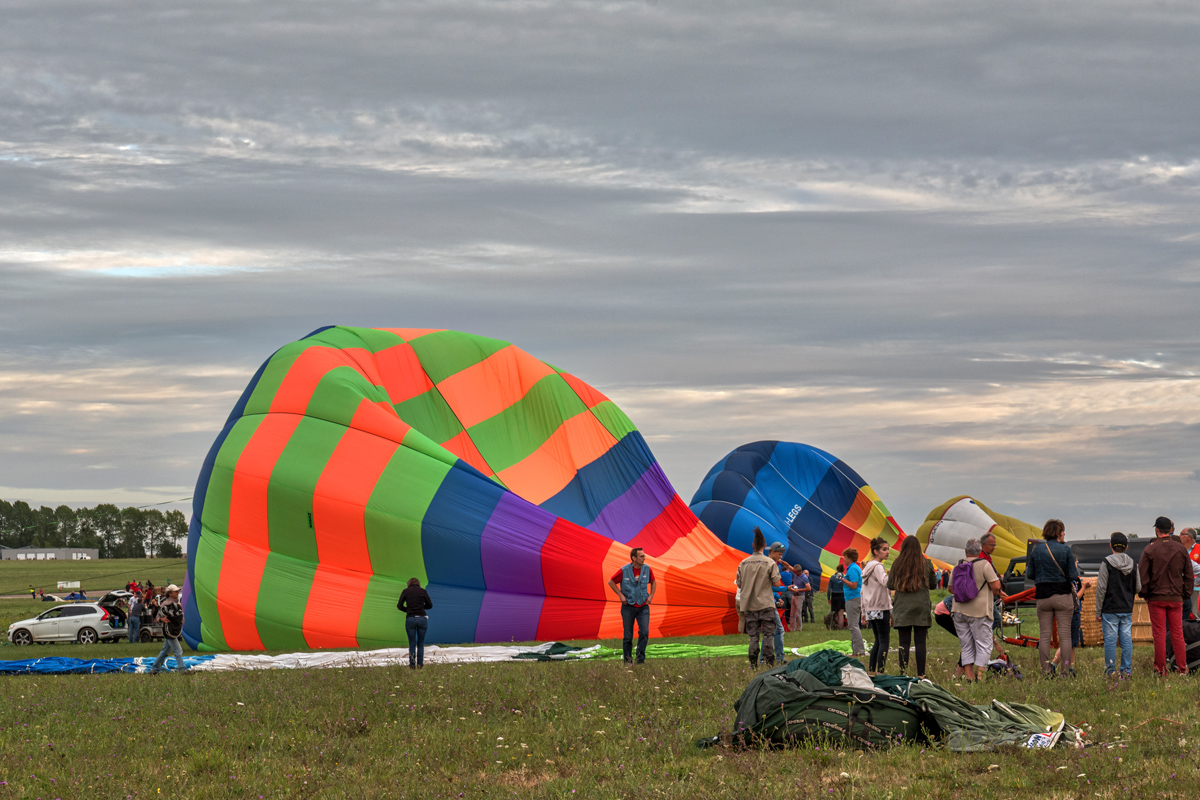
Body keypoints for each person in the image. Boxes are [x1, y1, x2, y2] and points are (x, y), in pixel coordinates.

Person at [1138, 516, 1190, 675]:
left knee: (1159, 634)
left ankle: (1160, 669)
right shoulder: (1180, 548)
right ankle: (1182, 668)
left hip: (1156, 598)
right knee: (1177, 633)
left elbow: (1142, 575)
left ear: (1157, 530)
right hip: (1175, 597)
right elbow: (1188, 574)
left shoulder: (1150, 549)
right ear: (1171, 530)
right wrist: (1185, 594)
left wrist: (1145, 594)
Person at [1027, 518, 1078, 677]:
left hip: (1043, 597)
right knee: (1065, 636)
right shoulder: (1066, 550)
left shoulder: (1037, 550)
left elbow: (1030, 574)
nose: (1064, 534)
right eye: (1063, 531)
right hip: (1063, 596)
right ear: (1058, 533)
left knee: (1044, 636)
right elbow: (1072, 575)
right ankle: (1065, 671)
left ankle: (1046, 672)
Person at [951, 539, 1002, 681]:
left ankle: (969, 676)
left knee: (966, 645)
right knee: (984, 645)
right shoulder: (984, 565)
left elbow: (950, 588)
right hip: (979, 611)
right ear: (979, 551)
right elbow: (996, 586)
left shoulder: (958, 564)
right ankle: (981, 676)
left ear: (965, 551)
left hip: (959, 610)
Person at [889, 536, 936, 677]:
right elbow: (933, 585)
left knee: (904, 642)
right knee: (920, 642)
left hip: (903, 606)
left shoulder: (897, 564)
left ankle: (902, 673)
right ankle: (921, 674)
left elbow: (890, 584)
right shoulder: (926, 564)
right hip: (921, 606)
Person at [736, 527, 782, 667]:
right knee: (768, 635)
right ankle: (769, 664)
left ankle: (753, 664)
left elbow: (739, 584)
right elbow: (776, 583)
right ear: (764, 546)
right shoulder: (770, 563)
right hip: (766, 604)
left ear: (753, 546)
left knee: (753, 636)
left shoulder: (743, 563)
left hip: (750, 605)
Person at [1095, 531, 1140, 677]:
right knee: (1126, 639)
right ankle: (1127, 671)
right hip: (1127, 607)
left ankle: (1110, 671)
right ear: (1126, 547)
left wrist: (1098, 610)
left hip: (1110, 608)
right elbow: (1138, 587)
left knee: (1110, 640)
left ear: (1111, 546)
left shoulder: (1106, 563)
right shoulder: (1133, 563)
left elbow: (1101, 588)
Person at [608, 547, 656, 665]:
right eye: (641, 556)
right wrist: (620, 595)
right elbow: (611, 581)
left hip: (643, 606)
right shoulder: (624, 570)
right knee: (628, 636)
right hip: (628, 606)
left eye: (644, 556)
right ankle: (628, 661)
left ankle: (640, 660)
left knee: (644, 632)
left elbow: (654, 581)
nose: (644, 558)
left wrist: (651, 596)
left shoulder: (647, 569)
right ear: (634, 558)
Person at [861, 537, 893, 673]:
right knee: (884, 641)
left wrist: (863, 611)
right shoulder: (878, 567)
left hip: (870, 608)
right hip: (880, 606)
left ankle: (872, 669)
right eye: (884, 549)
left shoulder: (868, 566)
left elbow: (863, 591)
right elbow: (886, 583)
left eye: (888, 549)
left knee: (878, 640)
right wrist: (892, 575)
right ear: (876, 551)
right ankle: (880, 671)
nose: (887, 552)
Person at [979, 533, 1009, 661]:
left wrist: (999, 590)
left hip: (991, 593)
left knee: (995, 619)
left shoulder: (988, 557)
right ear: (983, 545)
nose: (994, 547)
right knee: (996, 618)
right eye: (992, 545)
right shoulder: (981, 558)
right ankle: (983, 637)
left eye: (995, 545)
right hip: (985, 595)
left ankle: (983, 636)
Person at [149, 585, 189, 674]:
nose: (178, 593)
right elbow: (157, 617)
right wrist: (162, 619)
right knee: (178, 650)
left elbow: (181, 615)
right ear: (170, 593)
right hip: (168, 630)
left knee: (165, 652)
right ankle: (183, 670)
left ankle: (155, 669)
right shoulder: (165, 604)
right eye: (175, 591)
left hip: (173, 630)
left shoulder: (177, 604)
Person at [767, 542, 796, 660]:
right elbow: (773, 584)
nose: (781, 557)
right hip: (767, 602)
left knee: (768, 632)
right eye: (779, 554)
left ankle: (765, 659)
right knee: (778, 630)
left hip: (769, 599)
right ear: (772, 552)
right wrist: (785, 588)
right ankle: (779, 658)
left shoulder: (766, 563)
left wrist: (777, 597)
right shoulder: (771, 565)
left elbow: (767, 586)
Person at [397, 577, 433, 669]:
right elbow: (430, 605)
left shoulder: (405, 591)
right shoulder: (423, 591)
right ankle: (420, 665)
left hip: (410, 618)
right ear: (418, 583)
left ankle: (412, 665)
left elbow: (399, 606)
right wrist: (421, 608)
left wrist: (408, 610)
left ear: (408, 583)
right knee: (420, 643)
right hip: (422, 618)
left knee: (412, 643)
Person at [842, 549, 865, 657]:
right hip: (855, 597)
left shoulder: (852, 569)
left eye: (845, 557)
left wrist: (842, 579)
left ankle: (859, 651)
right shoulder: (855, 568)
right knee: (853, 625)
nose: (844, 559)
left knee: (853, 626)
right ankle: (856, 651)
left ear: (849, 558)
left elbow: (853, 585)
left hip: (853, 598)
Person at [828, 563, 846, 628]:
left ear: (837, 569)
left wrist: (828, 598)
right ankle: (841, 628)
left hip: (834, 595)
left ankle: (838, 626)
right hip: (842, 595)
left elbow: (829, 589)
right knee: (841, 613)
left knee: (836, 612)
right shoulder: (844, 578)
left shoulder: (832, 578)